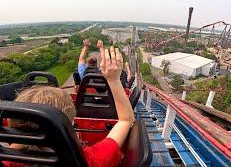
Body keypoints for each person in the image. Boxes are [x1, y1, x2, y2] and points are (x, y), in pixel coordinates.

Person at [5, 46, 135, 167]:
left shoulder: (7, 161)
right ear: (67, 125)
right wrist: (113, 80)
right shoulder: (89, 159)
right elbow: (126, 120)